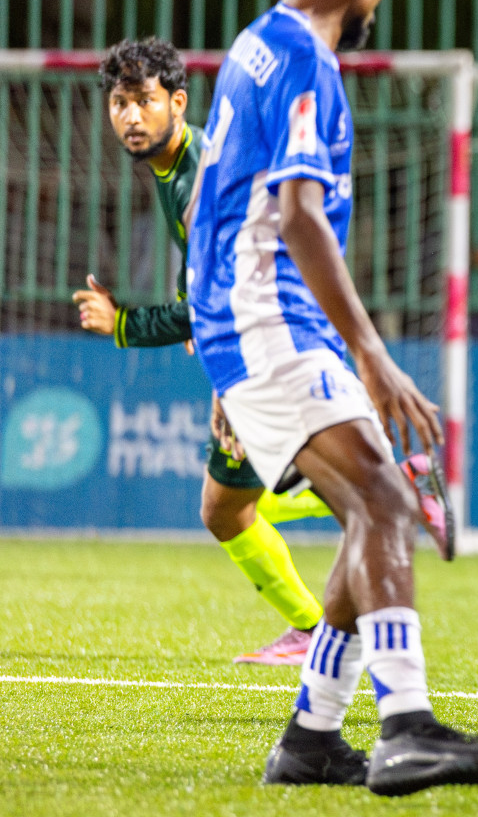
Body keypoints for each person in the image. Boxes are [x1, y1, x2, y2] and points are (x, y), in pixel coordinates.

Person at [185, 0, 478, 793]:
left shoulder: (255, 45)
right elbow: (298, 216)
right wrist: (370, 356)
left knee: (372, 506)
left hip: (251, 324)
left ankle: (310, 737)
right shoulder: (303, 62)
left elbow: (220, 211)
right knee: (383, 501)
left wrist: (224, 356)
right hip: (271, 324)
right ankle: (406, 725)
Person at [73, 37, 344, 666]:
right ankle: (323, 606)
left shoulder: (197, 175)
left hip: (264, 341)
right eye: (120, 102)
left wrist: (123, 325)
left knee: (227, 507)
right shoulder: (178, 165)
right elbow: (205, 276)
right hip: (257, 335)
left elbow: (209, 294)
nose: (131, 116)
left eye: (144, 100)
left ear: (179, 101)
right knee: (226, 505)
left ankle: (384, 499)